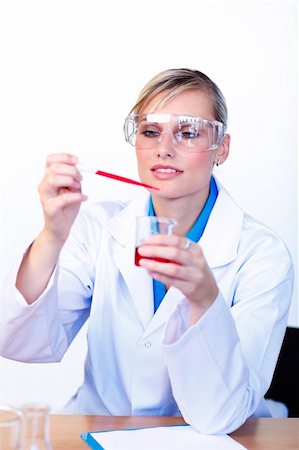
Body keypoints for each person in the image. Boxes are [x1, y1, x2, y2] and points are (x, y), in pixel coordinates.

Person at [0, 68, 294, 434]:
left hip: (217, 440)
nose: (164, 148)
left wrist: (204, 300)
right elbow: (18, 342)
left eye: (188, 133)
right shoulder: (98, 228)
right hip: (100, 431)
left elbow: (222, 413)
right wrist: (52, 235)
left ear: (222, 148)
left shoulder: (261, 254)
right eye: (150, 132)